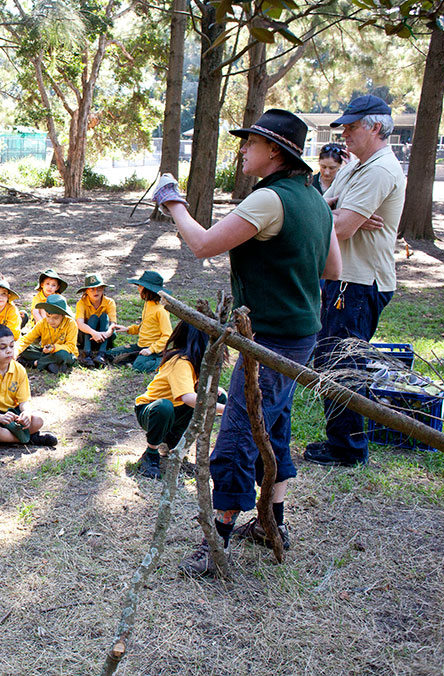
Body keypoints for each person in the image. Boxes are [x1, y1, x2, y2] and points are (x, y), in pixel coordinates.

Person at [153, 108, 342, 575]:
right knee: (271, 426)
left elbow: (202, 245)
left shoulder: (270, 199)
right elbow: (332, 268)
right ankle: (270, 523)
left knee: (237, 432)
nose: (242, 151)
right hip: (299, 334)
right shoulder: (313, 198)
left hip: (276, 338)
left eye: (249, 143)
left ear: (274, 151)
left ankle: (216, 541)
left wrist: (173, 201)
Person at [305, 95, 407, 468]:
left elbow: (342, 227)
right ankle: (342, 441)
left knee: (342, 364)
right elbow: (321, 203)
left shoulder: (380, 170)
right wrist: (338, 214)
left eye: (352, 126)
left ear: (376, 127)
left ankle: (347, 449)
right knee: (331, 358)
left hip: (360, 284)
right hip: (342, 278)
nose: (344, 132)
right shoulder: (354, 166)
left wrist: (343, 217)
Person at [132, 321, 227, 479]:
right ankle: (151, 453)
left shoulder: (194, 362)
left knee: (218, 397)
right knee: (164, 407)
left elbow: (194, 390)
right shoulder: (181, 362)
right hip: (150, 411)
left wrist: (218, 394)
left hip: (176, 411)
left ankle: (175, 439)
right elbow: (188, 397)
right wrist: (228, 409)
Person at [0, 324, 57, 446]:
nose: (9, 351)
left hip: (13, 415)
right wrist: (0, 418)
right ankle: (30, 438)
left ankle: (8, 438)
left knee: (38, 420)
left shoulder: (19, 369)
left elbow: (24, 401)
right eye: (2, 347)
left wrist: (26, 413)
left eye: (12, 346)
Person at [111, 271, 173, 372]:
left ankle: (162, 360)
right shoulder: (148, 304)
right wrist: (128, 329)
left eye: (140, 286)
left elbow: (167, 335)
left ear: (148, 290)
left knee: (139, 366)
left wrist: (151, 350)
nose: (138, 289)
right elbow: (145, 326)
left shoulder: (161, 310)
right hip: (141, 345)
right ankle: (135, 357)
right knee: (111, 354)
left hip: (154, 349)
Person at [16, 294, 79, 374]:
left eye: (55, 318)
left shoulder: (71, 324)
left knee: (62, 355)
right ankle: (54, 365)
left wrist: (53, 348)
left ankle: (35, 363)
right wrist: (15, 351)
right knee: (24, 350)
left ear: (63, 316)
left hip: (65, 353)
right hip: (46, 352)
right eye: (48, 316)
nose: (51, 321)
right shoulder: (43, 323)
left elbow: (71, 346)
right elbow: (26, 339)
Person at [74, 273, 122, 368]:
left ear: (103, 289)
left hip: (104, 336)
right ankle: (86, 353)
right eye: (92, 289)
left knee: (104, 317)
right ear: (86, 291)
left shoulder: (109, 302)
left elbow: (113, 323)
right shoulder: (81, 303)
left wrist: (107, 333)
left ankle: (102, 353)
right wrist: (94, 333)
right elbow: (80, 323)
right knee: (93, 318)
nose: (96, 292)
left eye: (99, 288)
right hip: (87, 336)